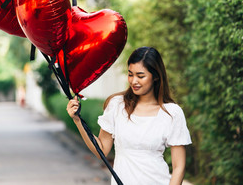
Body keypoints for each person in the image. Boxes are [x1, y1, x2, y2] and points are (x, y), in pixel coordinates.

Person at [66, 47, 192, 185]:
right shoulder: (117, 105)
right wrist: (78, 121)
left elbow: (178, 167)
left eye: (140, 76)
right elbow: (101, 150)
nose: (134, 81)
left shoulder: (172, 113)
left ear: (155, 76)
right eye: (130, 74)